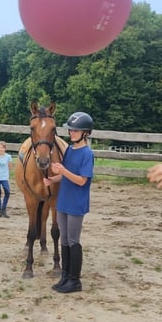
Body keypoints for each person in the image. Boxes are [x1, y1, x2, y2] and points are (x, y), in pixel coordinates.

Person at [44, 111, 94, 294]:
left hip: (76, 202)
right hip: (64, 200)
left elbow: (82, 180)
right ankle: (65, 276)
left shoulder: (87, 154)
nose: (71, 133)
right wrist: (53, 179)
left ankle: (75, 280)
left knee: (73, 240)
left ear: (85, 133)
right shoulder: (70, 150)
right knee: (64, 239)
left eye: (75, 130)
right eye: (71, 130)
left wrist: (63, 172)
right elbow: (65, 175)